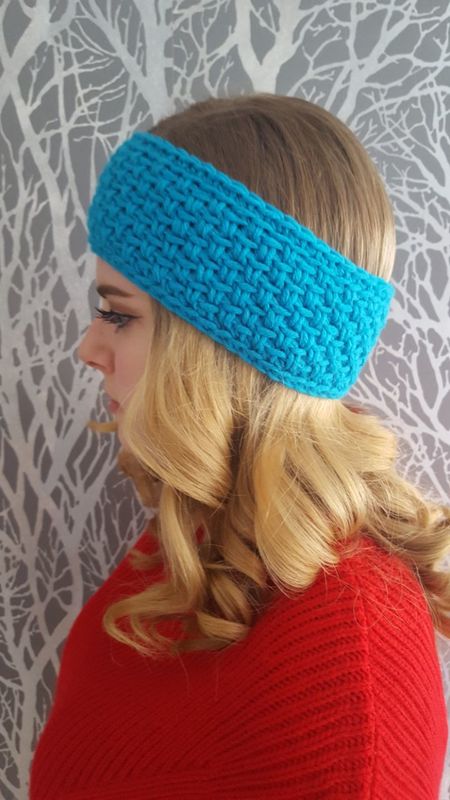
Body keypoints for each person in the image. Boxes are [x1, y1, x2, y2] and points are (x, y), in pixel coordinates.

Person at [29, 92, 450, 799]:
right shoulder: (207, 525)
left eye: (118, 314)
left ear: (223, 349)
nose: (88, 348)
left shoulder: (346, 703)